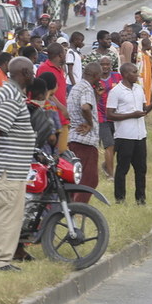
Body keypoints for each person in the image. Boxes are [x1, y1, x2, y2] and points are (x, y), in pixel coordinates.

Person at [0, 57, 36, 271]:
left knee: (4, 214)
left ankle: (1, 259)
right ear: (24, 72)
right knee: (7, 217)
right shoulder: (12, 95)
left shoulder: (6, 92)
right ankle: (0, 262)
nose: (34, 74)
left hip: (6, 167)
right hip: (7, 169)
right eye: (32, 70)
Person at [107, 63, 152, 205]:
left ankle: (141, 199)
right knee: (123, 169)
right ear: (125, 74)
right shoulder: (116, 91)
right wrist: (130, 115)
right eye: (134, 72)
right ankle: (120, 198)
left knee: (141, 169)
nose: (137, 74)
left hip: (140, 135)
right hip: (124, 136)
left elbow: (143, 111)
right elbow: (110, 114)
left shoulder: (138, 89)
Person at [66, 62, 102, 203]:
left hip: (74, 138)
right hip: (84, 141)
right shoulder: (86, 88)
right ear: (95, 75)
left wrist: (97, 96)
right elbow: (86, 107)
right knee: (89, 179)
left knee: (76, 177)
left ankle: (70, 206)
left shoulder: (77, 87)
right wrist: (90, 124)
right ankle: (79, 208)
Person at [36, 43, 69, 153]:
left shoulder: (60, 69)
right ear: (60, 55)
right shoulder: (45, 68)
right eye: (64, 53)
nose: (65, 56)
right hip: (51, 117)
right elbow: (45, 93)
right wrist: (62, 107)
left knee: (62, 152)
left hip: (62, 118)